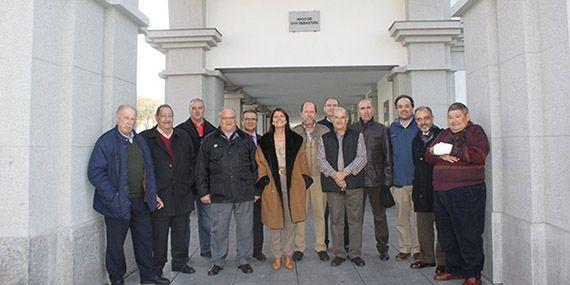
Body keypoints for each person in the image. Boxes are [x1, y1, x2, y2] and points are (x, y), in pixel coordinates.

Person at [87, 105, 169, 285]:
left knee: (145, 240)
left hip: (140, 201)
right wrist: (114, 196)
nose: (129, 122)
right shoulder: (106, 141)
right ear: (117, 119)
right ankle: (117, 279)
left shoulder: (139, 140)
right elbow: (95, 172)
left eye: (132, 118)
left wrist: (152, 194)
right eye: (126, 118)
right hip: (117, 203)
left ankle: (148, 276)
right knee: (116, 245)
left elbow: (149, 170)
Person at [425, 103, 490, 285]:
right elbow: (428, 154)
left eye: (457, 116)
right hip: (441, 192)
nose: (453, 120)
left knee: (468, 233)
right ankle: (455, 269)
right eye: (450, 117)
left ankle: (473, 275)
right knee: (447, 234)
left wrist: (450, 149)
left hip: (467, 192)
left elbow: (478, 155)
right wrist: (440, 155)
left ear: (466, 116)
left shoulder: (476, 132)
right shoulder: (444, 134)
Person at [195, 108, 258, 276]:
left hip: (244, 193)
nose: (228, 121)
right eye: (225, 118)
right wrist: (203, 192)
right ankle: (218, 261)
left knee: (245, 228)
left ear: (236, 119)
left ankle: (243, 260)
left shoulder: (246, 140)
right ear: (220, 119)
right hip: (219, 194)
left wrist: (256, 189)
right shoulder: (209, 140)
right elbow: (201, 168)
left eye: (231, 118)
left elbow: (256, 167)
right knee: (219, 230)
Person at [140, 105, 196, 276]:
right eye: (163, 116)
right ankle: (158, 266)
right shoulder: (146, 138)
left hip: (181, 194)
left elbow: (192, 162)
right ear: (157, 118)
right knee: (159, 235)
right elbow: (142, 168)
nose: (167, 119)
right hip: (160, 197)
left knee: (181, 233)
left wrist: (188, 183)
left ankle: (180, 262)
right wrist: (150, 192)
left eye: (170, 116)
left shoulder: (183, 136)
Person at [256, 108, 313, 270]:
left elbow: (303, 162)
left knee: (290, 221)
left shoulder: (296, 140)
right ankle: (277, 255)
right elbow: (259, 162)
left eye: (282, 116)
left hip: (293, 183)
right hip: (273, 184)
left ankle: (288, 254)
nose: (279, 119)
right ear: (272, 121)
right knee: (274, 222)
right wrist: (264, 180)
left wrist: (303, 180)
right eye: (276, 117)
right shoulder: (265, 141)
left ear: (286, 120)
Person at [317, 107, 367, 267]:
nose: (339, 120)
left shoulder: (357, 136)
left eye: (342, 117)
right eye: (336, 117)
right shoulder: (324, 138)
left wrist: (344, 174)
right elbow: (321, 161)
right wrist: (336, 176)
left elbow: (362, 158)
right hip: (333, 186)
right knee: (336, 221)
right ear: (331, 119)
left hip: (354, 184)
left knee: (355, 221)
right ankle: (339, 254)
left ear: (347, 119)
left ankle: (355, 254)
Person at [349, 98, 393, 261]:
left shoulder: (382, 130)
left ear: (372, 109)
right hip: (356, 180)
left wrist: (387, 181)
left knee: (379, 216)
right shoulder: (351, 129)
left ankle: (383, 247)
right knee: (354, 217)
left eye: (368, 107)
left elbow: (388, 156)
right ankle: (353, 249)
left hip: (376, 180)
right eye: (362, 108)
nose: (366, 111)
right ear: (358, 111)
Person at [175, 98, 217, 258]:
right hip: (186, 183)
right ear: (189, 110)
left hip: (206, 184)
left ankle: (207, 248)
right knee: (183, 221)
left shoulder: (213, 131)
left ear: (204, 110)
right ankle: (182, 255)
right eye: (194, 108)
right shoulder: (180, 130)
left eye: (200, 108)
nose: (197, 111)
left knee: (207, 219)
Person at [292, 102, 331, 262]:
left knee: (319, 213)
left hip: (319, 178)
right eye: (306, 111)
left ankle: (320, 246)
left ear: (316, 114)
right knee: (300, 214)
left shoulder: (325, 131)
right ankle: (299, 248)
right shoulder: (293, 132)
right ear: (301, 113)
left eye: (312, 112)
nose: (309, 114)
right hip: (300, 179)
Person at [409, 106, 445, 273]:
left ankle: (443, 262)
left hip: (439, 187)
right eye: (419, 119)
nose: (423, 122)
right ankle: (427, 258)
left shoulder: (442, 136)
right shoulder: (416, 139)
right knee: (423, 226)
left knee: (443, 227)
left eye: (426, 118)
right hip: (421, 187)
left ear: (432, 118)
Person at [388, 94, 421, 261]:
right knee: (401, 218)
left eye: (406, 106)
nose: (403, 109)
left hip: (418, 182)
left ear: (412, 108)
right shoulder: (391, 129)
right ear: (396, 109)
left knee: (418, 218)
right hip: (399, 182)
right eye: (400, 106)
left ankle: (418, 249)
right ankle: (404, 247)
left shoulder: (420, 126)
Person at [241, 109, 266, 261]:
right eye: (247, 119)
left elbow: (265, 166)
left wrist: (258, 190)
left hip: (259, 188)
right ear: (242, 121)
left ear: (257, 122)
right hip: (241, 188)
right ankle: (243, 251)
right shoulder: (236, 139)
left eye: (253, 119)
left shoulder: (263, 141)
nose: (250, 122)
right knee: (243, 222)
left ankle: (257, 250)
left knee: (258, 221)